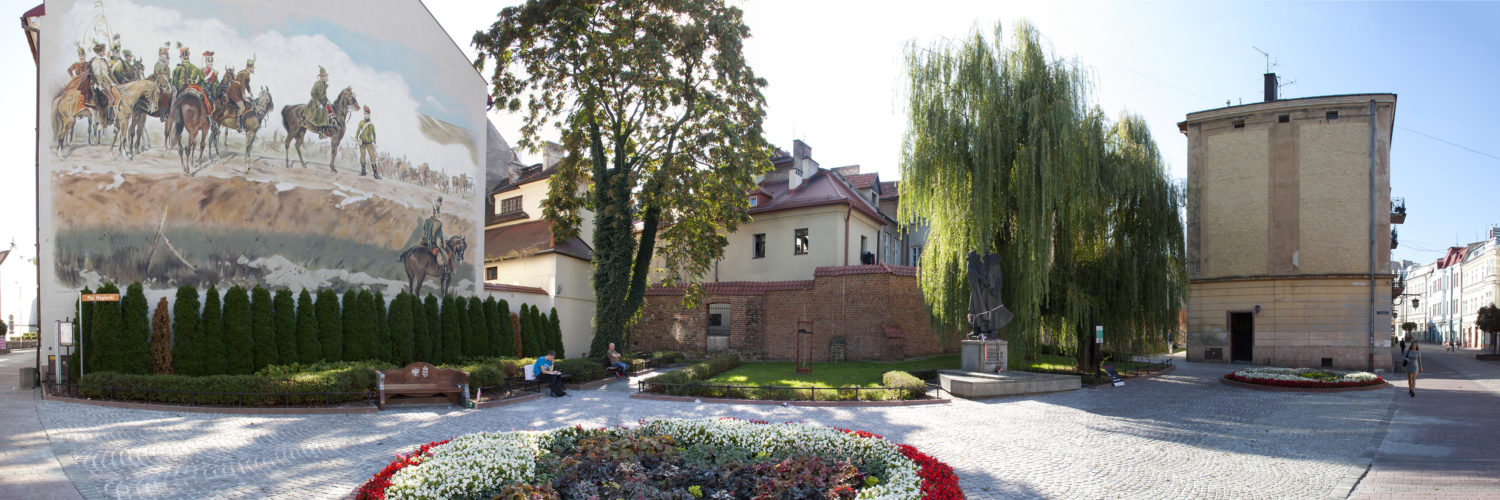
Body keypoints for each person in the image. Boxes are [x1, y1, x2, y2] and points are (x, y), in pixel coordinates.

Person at [303, 66, 331, 132]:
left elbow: (324, 95)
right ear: (321, 77)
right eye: (324, 76)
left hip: (322, 101)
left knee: (330, 109)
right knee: (321, 113)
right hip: (315, 102)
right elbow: (312, 94)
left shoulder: (324, 84)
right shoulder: (317, 84)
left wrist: (327, 101)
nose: (326, 77)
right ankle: (319, 130)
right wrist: (319, 104)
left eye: (326, 76)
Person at [356, 106, 379, 178]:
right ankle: (363, 171)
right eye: (365, 114)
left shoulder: (371, 125)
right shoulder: (361, 123)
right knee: (362, 156)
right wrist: (356, 136)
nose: (366, 115)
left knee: (372, 156)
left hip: (369, 142)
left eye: (367, 114)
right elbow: (358, 130)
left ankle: (375, 174)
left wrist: (374, 140)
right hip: (362, 141)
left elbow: (374, 133)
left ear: (369, 115)